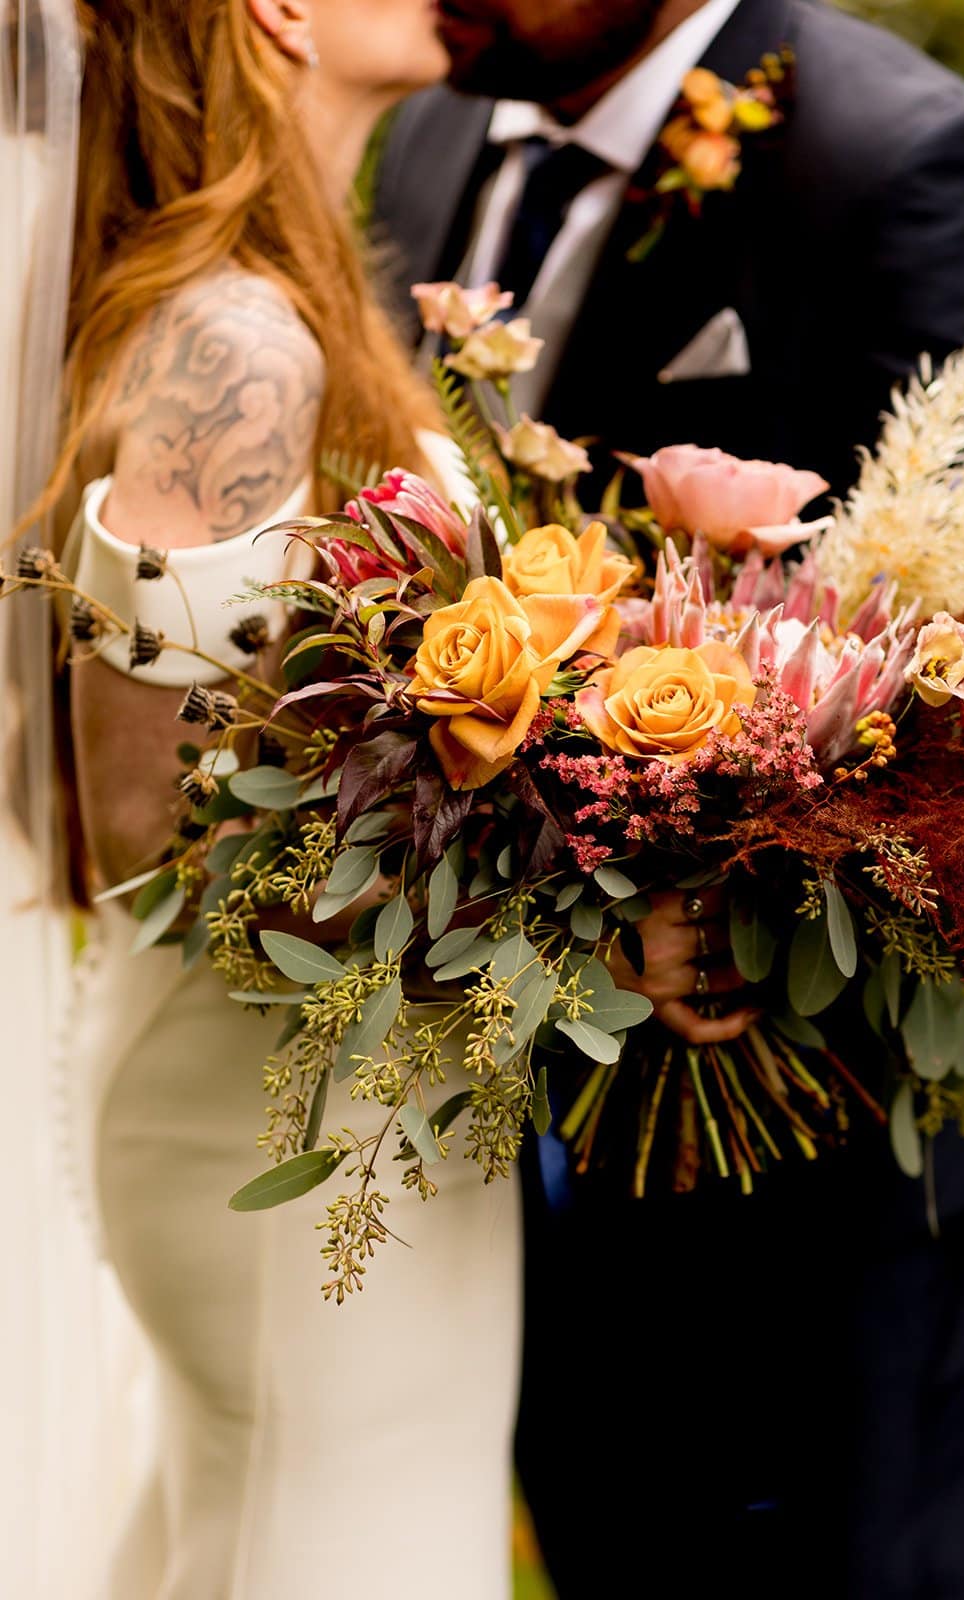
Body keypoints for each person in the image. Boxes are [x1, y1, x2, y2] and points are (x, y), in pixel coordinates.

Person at [374, 1, 964, 1594]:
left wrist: (730, 881)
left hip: (796, 1146)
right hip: (503, 1113)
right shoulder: (438, 124)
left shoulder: (902, 160)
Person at [12, 3, 521, 1596]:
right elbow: (144, 832)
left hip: (369, 1096)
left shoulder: (291, 303)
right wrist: (573, 874)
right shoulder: (232, 342)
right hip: (275, 1107)